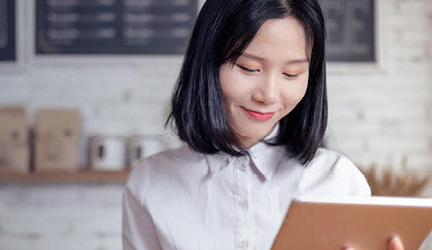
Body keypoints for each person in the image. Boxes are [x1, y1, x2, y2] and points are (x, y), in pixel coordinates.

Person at [121, 0, 412, 249]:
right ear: (208, 61)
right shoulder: (150, 183)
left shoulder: (340, 182)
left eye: (292, 73)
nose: (269, 95)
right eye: (249, 68)